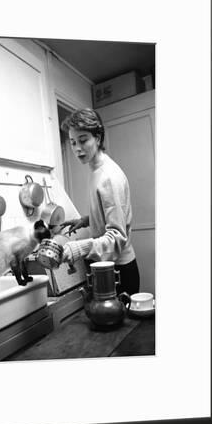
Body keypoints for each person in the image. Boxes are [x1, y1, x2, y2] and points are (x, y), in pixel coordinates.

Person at [60, 107, 140, 296]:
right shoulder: (95, 170)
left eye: (83, 140)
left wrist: (78, 247)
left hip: (120, 270)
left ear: (98, 137)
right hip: (109, 266)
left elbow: (117, 237)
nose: (77, 148)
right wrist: (88, 220)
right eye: (72, 142)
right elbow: (111, 212)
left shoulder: (108, 176)